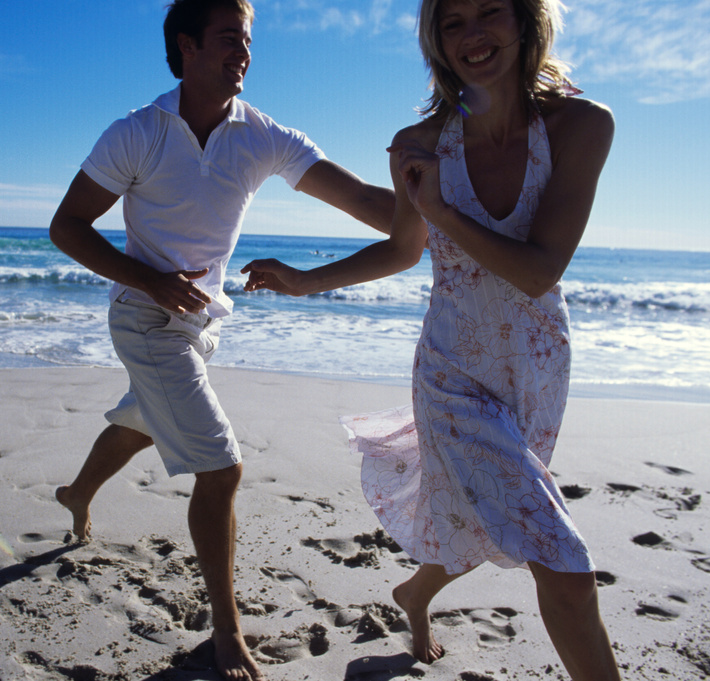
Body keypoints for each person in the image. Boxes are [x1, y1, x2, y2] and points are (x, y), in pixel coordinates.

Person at [241, 0, 619, 678]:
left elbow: (540, 270)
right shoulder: (418, 144)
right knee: (562, 562)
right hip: (451, 374)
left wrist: (441, 209)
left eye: (490, 12)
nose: (474, 34)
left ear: (526, 21)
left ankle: (415, 593)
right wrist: (305, 280)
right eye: (453, 22)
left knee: (483, 515)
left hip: (535, 367)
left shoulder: (580, 126)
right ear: (436, 43)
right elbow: (401, 249)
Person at [49, 1, 395, 678]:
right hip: (145, 320)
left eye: (249, 40)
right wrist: (150, 280)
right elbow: (68, 226)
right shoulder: (137, 132)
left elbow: (364, 201)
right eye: (231, 39)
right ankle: (226, 634)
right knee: (221, 466)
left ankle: (77, 492)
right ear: (187, 46)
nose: (245, 52)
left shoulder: (260, 134)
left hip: (200, 323)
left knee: (142, 420)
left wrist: (448, 201)